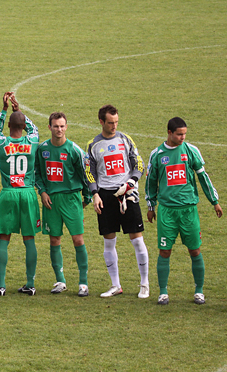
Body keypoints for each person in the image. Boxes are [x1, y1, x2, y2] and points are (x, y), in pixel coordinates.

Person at [145, 117, 222, 305]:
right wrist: (150, 206)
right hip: (166, 212)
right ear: (169, 133)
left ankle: (199, 291)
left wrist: (215, 201)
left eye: (184, 134)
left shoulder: (191, 150)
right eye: (179, 134)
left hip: (188, 210)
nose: (182, 137)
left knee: (195, 250)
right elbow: (150, 182)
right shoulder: (157, 154)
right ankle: (163, 292)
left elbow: (203, 177)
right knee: (164, 251)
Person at [85, 104, 149, 298]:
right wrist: (95, 194)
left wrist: (132, 181)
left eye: (116, 122)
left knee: (137, 240)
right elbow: (89, 172)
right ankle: (116, 285)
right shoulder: (93, 145)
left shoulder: (125, 139)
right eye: (110, 123)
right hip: (106, 196)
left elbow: (139, 163)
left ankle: (144, 284)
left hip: (127, 194)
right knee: (109, 242)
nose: (114, 126)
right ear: (101, 122)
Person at [35, 112, 91, 297]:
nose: (59, 129)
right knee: (54, 240)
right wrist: (42, 191)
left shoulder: (74, 150)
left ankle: (83, 283)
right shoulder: (42, 149)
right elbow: (37, 173)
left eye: (62, 126)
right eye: (55, 126)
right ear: (49, 127)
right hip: (51, 201)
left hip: (71, 198)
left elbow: (86, 175)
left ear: (66, 127)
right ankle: (60, 280)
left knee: (78, 240)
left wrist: (88, 197)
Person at [0, 92, 40, 297]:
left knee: (4, 238)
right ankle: (30, 283)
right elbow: (34, 128)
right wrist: (17, 110)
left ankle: (1, 285)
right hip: (28, 193)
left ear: (9, 126)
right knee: (29, 239)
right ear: (23, 126)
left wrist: (4, 110)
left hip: (8, 193)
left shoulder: (2, 143)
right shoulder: (33, 141)